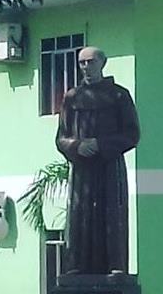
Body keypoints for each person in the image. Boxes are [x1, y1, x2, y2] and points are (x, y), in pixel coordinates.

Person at [55, 47, 140, 275]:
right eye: (82, 62)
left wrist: (100, 144)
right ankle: (76, 266)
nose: (86, 67)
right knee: (80, 215)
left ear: (102, 63)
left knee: (112, 213)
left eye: (90, 61)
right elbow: (61, 138)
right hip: (82, 169)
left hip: (110, 166)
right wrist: (77, 146)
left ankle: (115, 266)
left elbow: (132, 135)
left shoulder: (119, 95)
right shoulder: (72, 98)